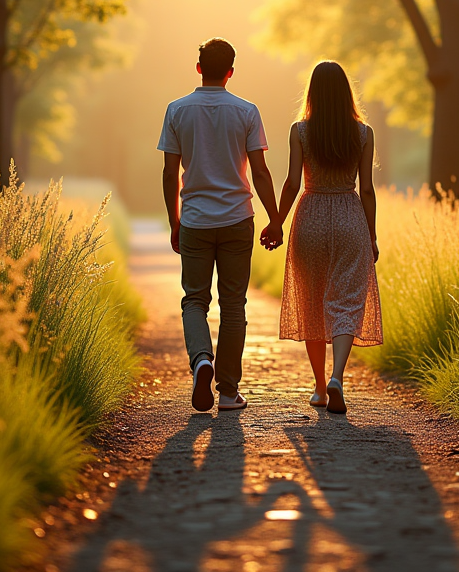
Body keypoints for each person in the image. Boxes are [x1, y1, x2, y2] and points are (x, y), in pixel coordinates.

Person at [158, 38, 281, 412]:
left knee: (194, 299)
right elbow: (259, 171)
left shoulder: (177, 110)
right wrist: (275, 219)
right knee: (233, 305)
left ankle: (202, 361)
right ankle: (228, 391)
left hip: (195, 218)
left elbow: (169, 172)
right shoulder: (247, 111)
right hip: (236, 220)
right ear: (231, 71)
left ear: (198, 68)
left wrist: (174, 221)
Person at [261, 61, 382, 414]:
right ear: (347, 92)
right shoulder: (364, 133)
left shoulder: (299, 131)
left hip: (310, 216)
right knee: (346, 301)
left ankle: (318, 387)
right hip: (349, 217)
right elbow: (368, 189)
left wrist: (277, 222)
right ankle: (337, 377)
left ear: (312, 92)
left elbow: (292, 184)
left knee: (312, 301)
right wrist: (371, 235)